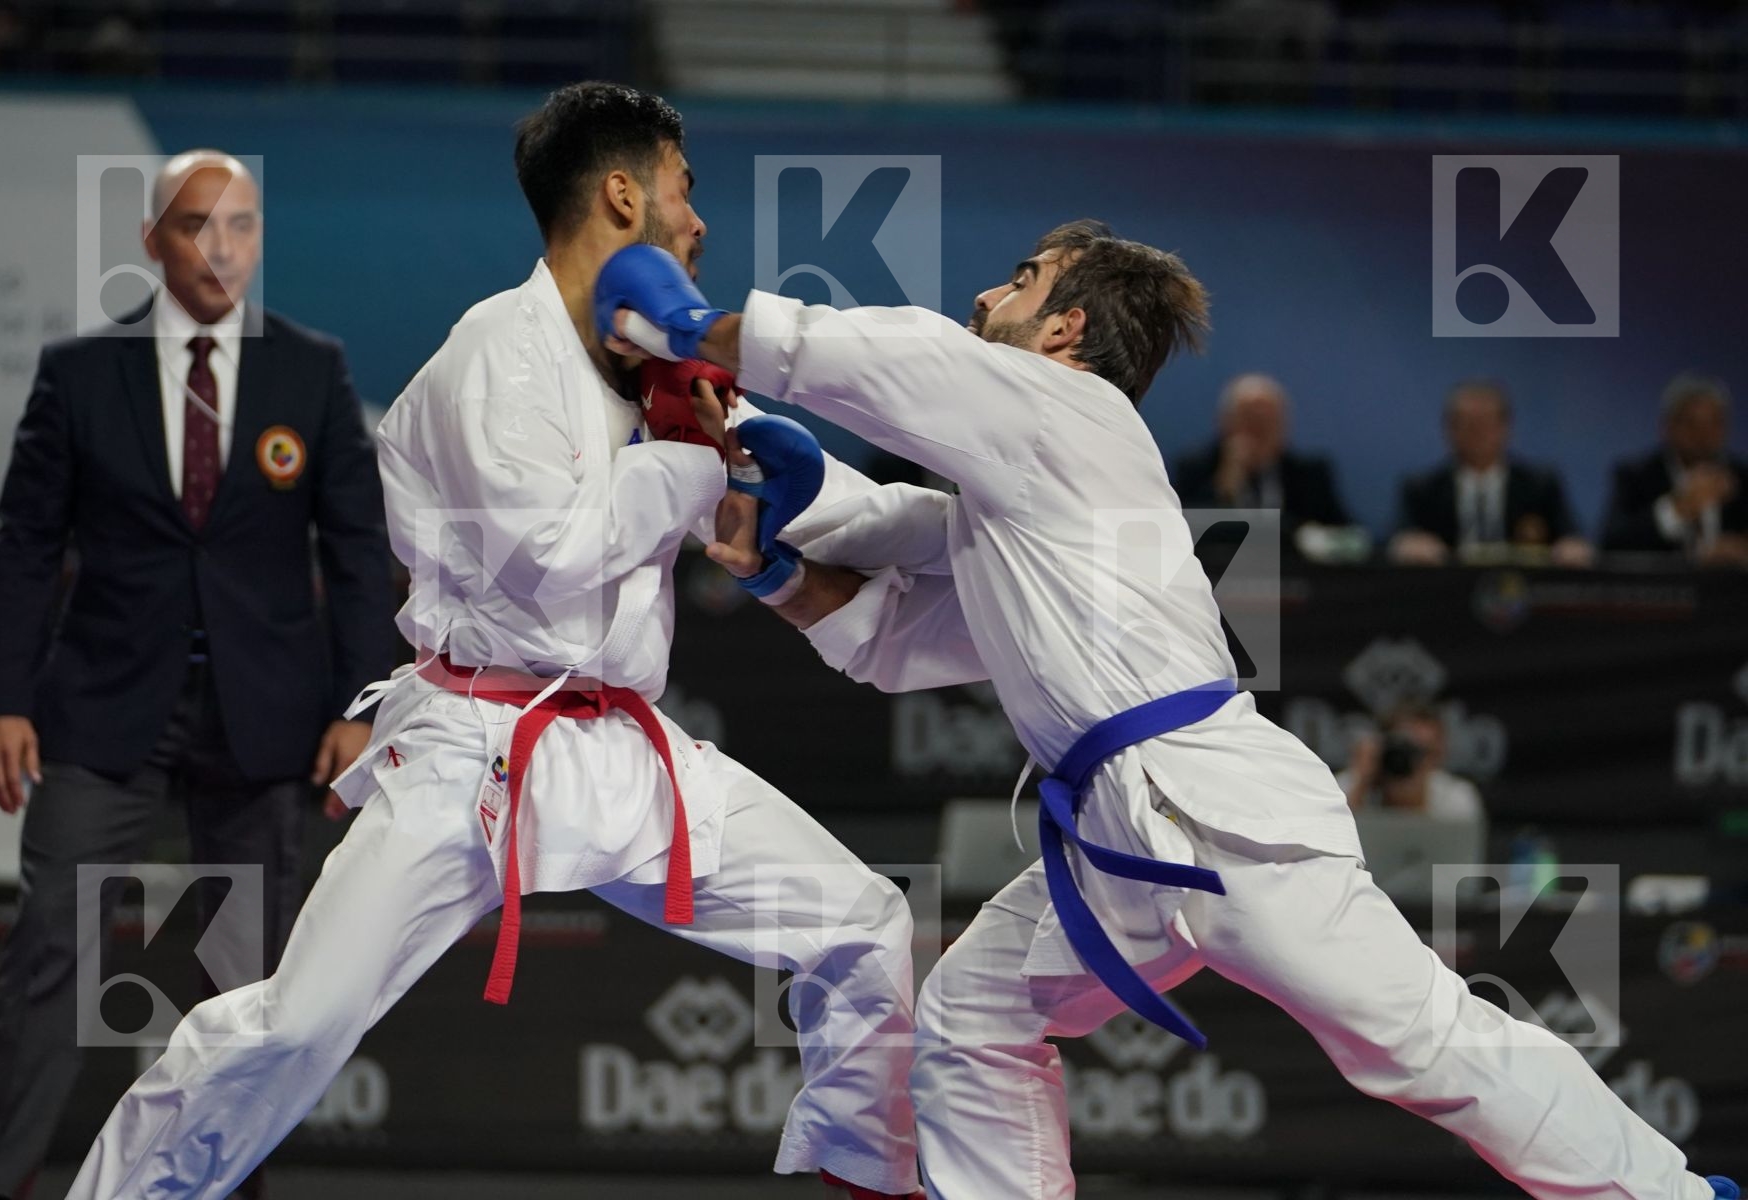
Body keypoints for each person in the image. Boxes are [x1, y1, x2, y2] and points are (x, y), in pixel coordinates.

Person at [598, 219, 1737, 1200]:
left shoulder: (1062, 410)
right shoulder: (1027, 504)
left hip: (1218, 812)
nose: (987, 292)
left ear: (1065, 333)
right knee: (973, 1015)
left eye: (1023, 278)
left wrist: (699, 327)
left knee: (1422, 1041)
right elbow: (894, 640)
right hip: (1108, 845)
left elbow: (891, 366)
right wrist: (780, 565)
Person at [58, 83, 922, 1200]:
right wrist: (709, 462)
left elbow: (825, 501)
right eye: (684, 188)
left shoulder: (663, 373)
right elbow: (554, 555)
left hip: (624, 748)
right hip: (473, 749)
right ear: (623, 193)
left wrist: (963, 523)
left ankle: (872, 1180)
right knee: (297, 1025)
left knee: (866, 925)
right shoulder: (492, 355)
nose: (700, 220)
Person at [0, 151, 391, 1200]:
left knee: (244, 978)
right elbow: (24, 545)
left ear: (257, 241)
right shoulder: (77, 374)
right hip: (105, 705)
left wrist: (358, 703)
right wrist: (4, 699)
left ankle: (219, 1183)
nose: (220, 246)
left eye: (240, 225)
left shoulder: (310, 370)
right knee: (51, 951)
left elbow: (355, 548)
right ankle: (0, 1178)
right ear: (155, 242)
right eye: (197, 225)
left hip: (266, 714)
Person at [1389, 379, 1591, 566]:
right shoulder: (1423, 488)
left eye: (1486, 423)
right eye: (1468, 424)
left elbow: (1571, 538)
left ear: (1506, 428)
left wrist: (1571, 547)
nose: (1477, 433)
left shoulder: (1540, 485)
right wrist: (1408, 543)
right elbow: (1397, 538)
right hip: (1446, 592)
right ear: (1449, 429)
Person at [1171, 372, 1355, 547]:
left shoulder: (1309, 474)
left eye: (1268, 422)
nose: (1259, 432)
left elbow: (1346, 534)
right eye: (1249, 421)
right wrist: (1225, 486)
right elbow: (1180, 529)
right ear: (1224, 422)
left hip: (1292, 574)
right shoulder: (1197, 467)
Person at [1601, 372, 1748, 567]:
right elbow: (1611, 544)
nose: (1703, 436)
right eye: (1692, 424)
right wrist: (1677, 509)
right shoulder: (1636, 476)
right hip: (1659, 593)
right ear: (1667, 426)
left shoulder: (1741, 478)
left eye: (1714, 424)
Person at [1338, 703, 1483, 821]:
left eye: (1426, 753)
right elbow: (1332, 842)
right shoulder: (1342, 789)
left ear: (1440, 755)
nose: (1415, 762)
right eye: (1406, 750)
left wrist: (1418, 803)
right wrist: (1361, 785)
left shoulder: (1457, 797)